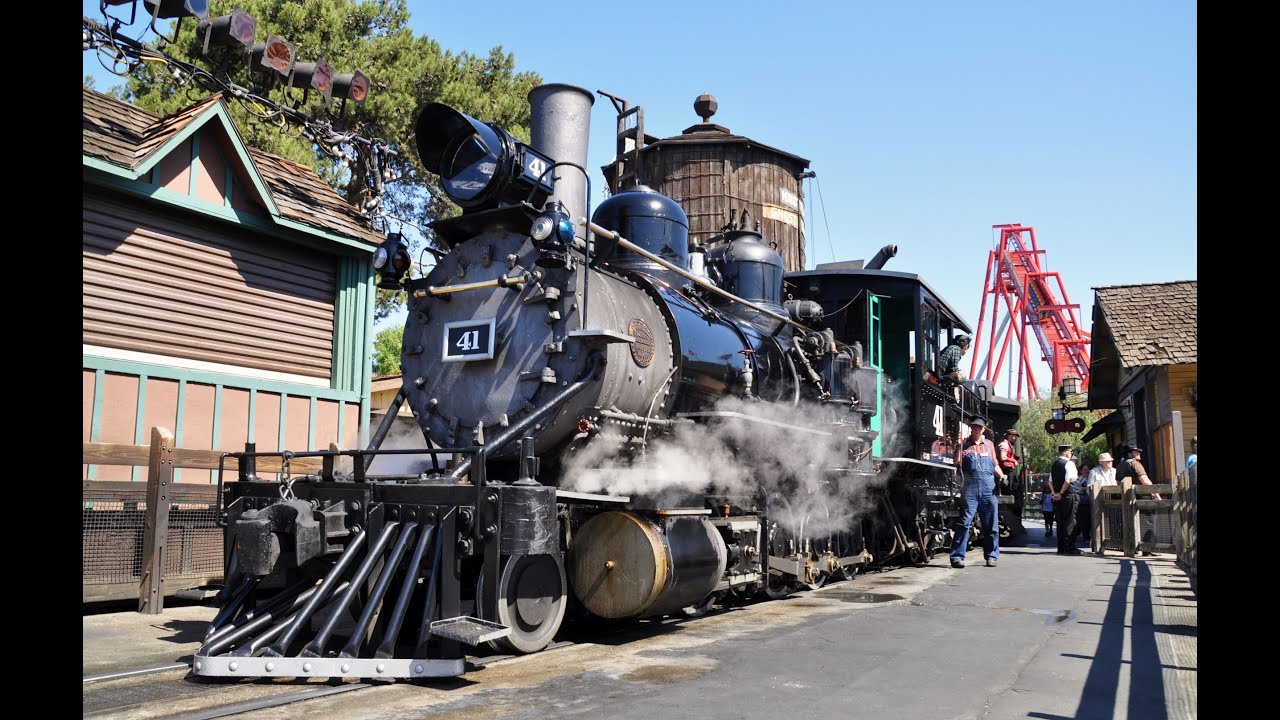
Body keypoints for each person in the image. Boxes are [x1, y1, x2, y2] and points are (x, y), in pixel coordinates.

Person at [948, 415, 1006, 568]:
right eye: (974, 427)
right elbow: (956, 463)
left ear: (984, 429)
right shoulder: (965, 444)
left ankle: (991, 556)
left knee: (991, 525)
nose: (977, 429)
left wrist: (1003, 475)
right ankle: (957, 557)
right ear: (971, 428)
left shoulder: (989, 445)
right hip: (970, 488)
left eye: (980, 427)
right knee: (964, 523)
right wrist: (959, 446)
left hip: (988, 488)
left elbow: (994, 464)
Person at [1118, 445, 1159, 555]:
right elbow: (1145, 481)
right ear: (1129, 453)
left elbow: (1118, 482)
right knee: (1149, 522)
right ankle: (1147, 549)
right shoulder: (1135, 463)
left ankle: (1132, 547)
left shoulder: (1120, 465)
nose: (1139, 453)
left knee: (1130, 522)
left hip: (1128, 497)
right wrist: (1156, 494)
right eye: (1136, 451)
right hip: (1143, 496)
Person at [1050, 444, 1081, 555]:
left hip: (1058, 497)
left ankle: (1061, 547)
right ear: (1068, 452)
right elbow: (1068, 480)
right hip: (1069, 495)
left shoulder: (1054, 465)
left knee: (1060, 521)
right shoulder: (1069, 463)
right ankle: (1069, 547)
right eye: (1071, 452)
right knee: (1070, 521)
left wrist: (1055, 494)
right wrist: (1061, 493)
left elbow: (1050, 481)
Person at [997, 428, 1020, 493]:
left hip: (1010, 470)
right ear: (1008, 436)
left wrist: (1016, 458)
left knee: (1014, 487)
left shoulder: (1009, 445)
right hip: (1006, 470)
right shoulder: (1004, 444)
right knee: (1008, 490)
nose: (1015, 438)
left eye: (1015, 436)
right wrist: (1014, 461)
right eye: (1013, 436)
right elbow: (1003, 457)